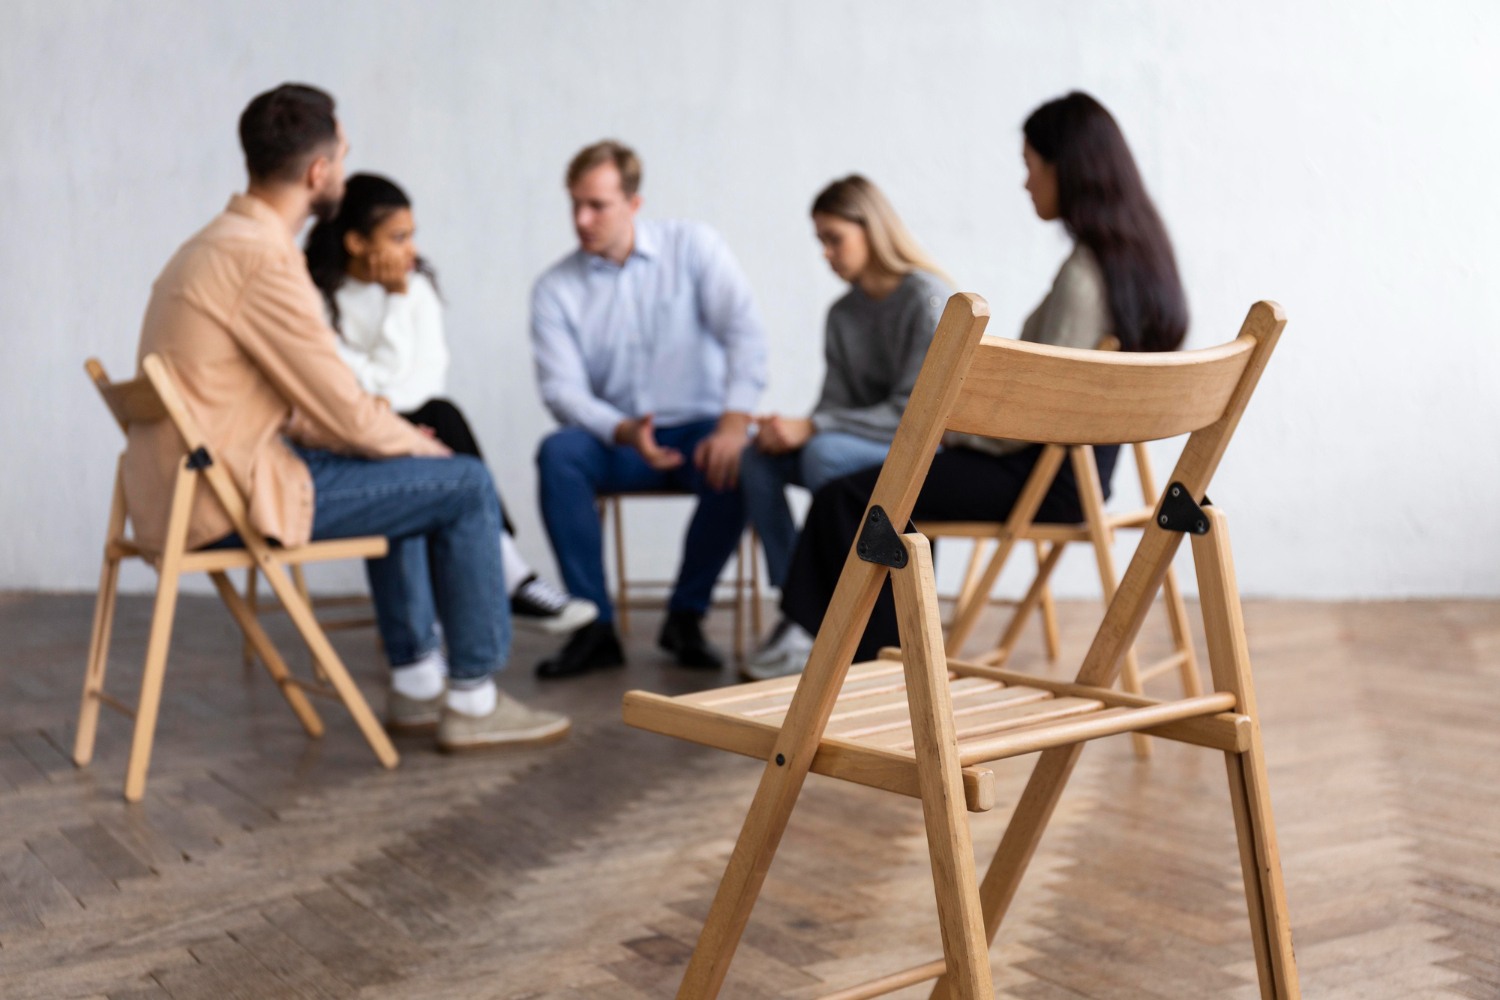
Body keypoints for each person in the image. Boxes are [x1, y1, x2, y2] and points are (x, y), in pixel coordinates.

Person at [121, 83, 568, 750]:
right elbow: (342, 409)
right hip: (228, 498)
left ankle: (417, 682)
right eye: (345, 156)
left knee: (399, 462)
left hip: (187, 488)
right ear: (319, 172)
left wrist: (395, 440)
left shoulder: (211, 244)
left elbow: (301, 405)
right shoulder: (264, 259)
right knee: (465, 482)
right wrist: (417, 446)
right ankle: (473, 700)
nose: (347, 171)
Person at [769, 91, 1190, 673]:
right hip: (1089, 476)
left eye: (1030, 167)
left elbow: (1037, 412)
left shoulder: (1083, 279)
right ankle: (876, 658)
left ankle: (875, 666)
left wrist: (957, 431)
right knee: (880, 486)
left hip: (1046, 477)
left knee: (860, 495)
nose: (1025, 184)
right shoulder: (1139, 264)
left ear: (1065, 169)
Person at [303, 172, 597, 637]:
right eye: (398, 237)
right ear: (356, 242)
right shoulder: (318, 298)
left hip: (415, 424)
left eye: (412, 235)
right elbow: (349, 387)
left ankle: (476, 602)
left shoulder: (416, 287)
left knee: (440, 414)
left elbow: (423, 379)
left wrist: (393, 408)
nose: (411, 251)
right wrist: (394, 313)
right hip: (350, 435)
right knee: (438, 430)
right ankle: (511, 577)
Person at [530, 139, 768, 678]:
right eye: (575, 204)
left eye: (597, 205)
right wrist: (620, 429)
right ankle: (593, 627)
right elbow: (561, 391)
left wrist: (734, 423)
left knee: (744, 458)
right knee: (558, 453)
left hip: (699, 433)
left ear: (633, 203)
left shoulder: (695, 248)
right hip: (618, 439)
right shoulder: (555, 289)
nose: (581, 219)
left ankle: (686, 614)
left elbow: (745, 334)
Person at [739, 176, 951, 680]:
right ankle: (801, 604)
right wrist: (791, 429)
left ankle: (822, 613)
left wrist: (811, 427)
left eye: (834, 238)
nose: (827, 254)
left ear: (871, 229)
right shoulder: (841, 314)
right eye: (821, 242)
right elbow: (834, 404)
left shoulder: (925, 299)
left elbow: (915, 411)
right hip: (855, 442)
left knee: (821, 455)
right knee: (755, 456)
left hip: (921, 445)